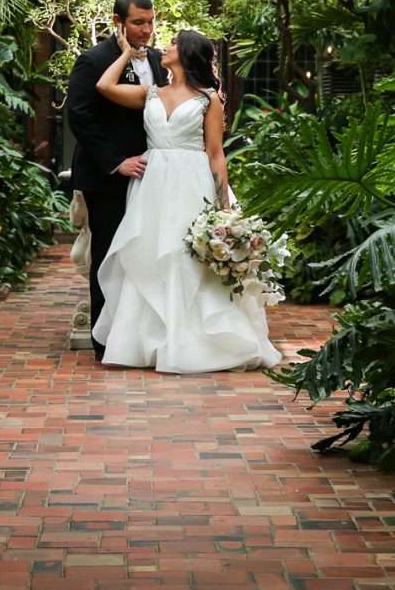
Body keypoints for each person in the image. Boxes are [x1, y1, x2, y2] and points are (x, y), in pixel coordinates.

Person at [90, 26, 282, 373]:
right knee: (148, 255)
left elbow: (215, 153)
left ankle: (191, 344)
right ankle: (146, 344)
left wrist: (224, 207)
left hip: (192, 183)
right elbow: (104, 86)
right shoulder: (149, 93)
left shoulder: (209, 98)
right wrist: (125, 53)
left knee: (184, 257)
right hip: (153, 185)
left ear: (188, 52)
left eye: (174, 43)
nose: (165, 45)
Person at [66, 0, 166, 360]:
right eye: (139, 22)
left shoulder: (158, 60)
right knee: (109, 258)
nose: (146, 30)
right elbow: (79, 116)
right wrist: (116, 161)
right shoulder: (93, 60)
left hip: (150, 179)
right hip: (107, 177)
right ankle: (104, 343)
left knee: (143, 256)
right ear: (118, 23)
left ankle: (138, 337)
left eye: (151, 22)